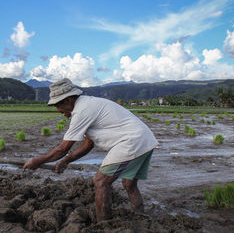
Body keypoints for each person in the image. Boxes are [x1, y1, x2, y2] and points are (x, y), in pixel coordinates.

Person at [23, 78, 158, 222]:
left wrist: (36, 161)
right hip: (145, 140)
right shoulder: (88, 104)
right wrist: (66, 161)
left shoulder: (81, 111)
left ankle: (103, 224)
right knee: (129, 184)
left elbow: (62, 149)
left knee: (100, 182)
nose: (58, 110)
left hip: (131, 142)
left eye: (58, 105)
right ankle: (141, 218)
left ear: (68, 100)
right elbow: (88, 144)